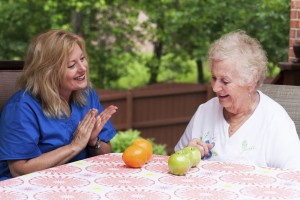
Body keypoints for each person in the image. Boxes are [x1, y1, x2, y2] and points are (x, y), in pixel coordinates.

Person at [0, 29, 118, 180]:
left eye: (82, 59)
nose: (83, 68)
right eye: (71, 65)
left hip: (74, 181)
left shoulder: (87, 95)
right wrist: (74, 146)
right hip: (26, 187)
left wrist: (93, 141)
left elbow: (105, 156)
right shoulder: (21, 107)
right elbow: (20, 170)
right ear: (49, 73)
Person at [175, 30, 300, 170]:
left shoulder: (275, 121)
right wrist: (187, 154)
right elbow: (176, 162)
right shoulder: (204, 111)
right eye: (214, 78)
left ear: (251, 82)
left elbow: (294, 177)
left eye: (225, 81)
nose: (216, 88)